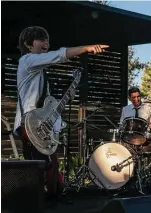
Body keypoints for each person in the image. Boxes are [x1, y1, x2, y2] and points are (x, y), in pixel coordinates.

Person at [13, 26, 109, 204]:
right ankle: (38, 201)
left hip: (39, 124)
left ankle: (51, 198)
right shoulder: (27, 60)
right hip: (30, 124)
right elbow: (58, 55)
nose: (46, 43)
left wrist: (64, 100)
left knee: (50, 162)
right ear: (28, 44)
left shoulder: (39, 72)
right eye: (41, 39)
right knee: (41, 165)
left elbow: (47, 105)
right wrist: (86, 48)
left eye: (47, 40)